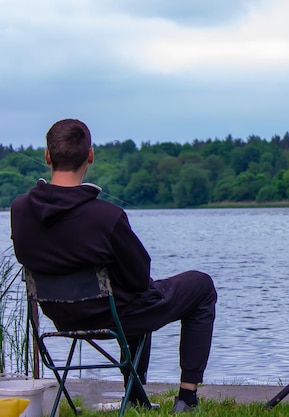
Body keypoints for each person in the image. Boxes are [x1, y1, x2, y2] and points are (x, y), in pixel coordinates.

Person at [10, 118, 217, 413]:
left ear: (47, 156)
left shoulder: (19, 209)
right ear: (90, 155)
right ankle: (187, 398)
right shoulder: (107, 216)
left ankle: (134, 395)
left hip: (60, 317)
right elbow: (139, 278)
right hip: (112, 318)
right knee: (201, 285)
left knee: (128, 296)